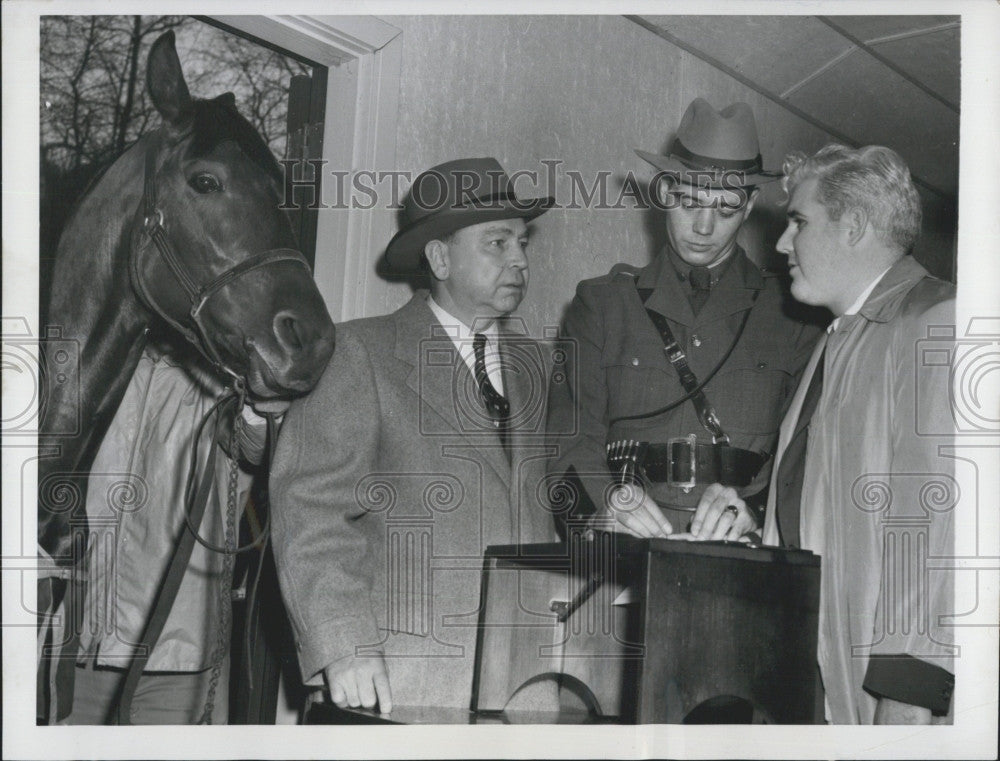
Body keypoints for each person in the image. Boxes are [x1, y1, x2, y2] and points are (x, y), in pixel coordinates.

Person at [269, 158, 558, 715]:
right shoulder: (361, 354)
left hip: (527, 690)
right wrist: (343, 644)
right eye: (498, 243)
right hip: (405, 686)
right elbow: (310, 510)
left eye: (522, 242)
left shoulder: (538, 367)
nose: (520, 259)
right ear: (439, 257)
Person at [547, 98, 820, 542]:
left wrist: (753, 510)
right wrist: (604, 507)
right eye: (689, 202)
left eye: (726, 210)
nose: (704, 227)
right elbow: (569, 443)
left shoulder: (793, 316)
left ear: (749, 206)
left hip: (740, 562)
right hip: (623, 556)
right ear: (663, 192)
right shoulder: (602, 306)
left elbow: (807, 454)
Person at [762, 144, 956, 724]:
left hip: (887, 698)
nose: (780, 243)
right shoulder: (838, 338)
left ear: (853, 227)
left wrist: (909, 694)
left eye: (797, 222)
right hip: (819, 676)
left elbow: (935, 534)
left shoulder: (933, 321)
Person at [65, 338, 273, 724]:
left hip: (179, 661)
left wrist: (263, 393)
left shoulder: (224, 377)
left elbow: (256, 445)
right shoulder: (95, 356)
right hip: (77, 650)